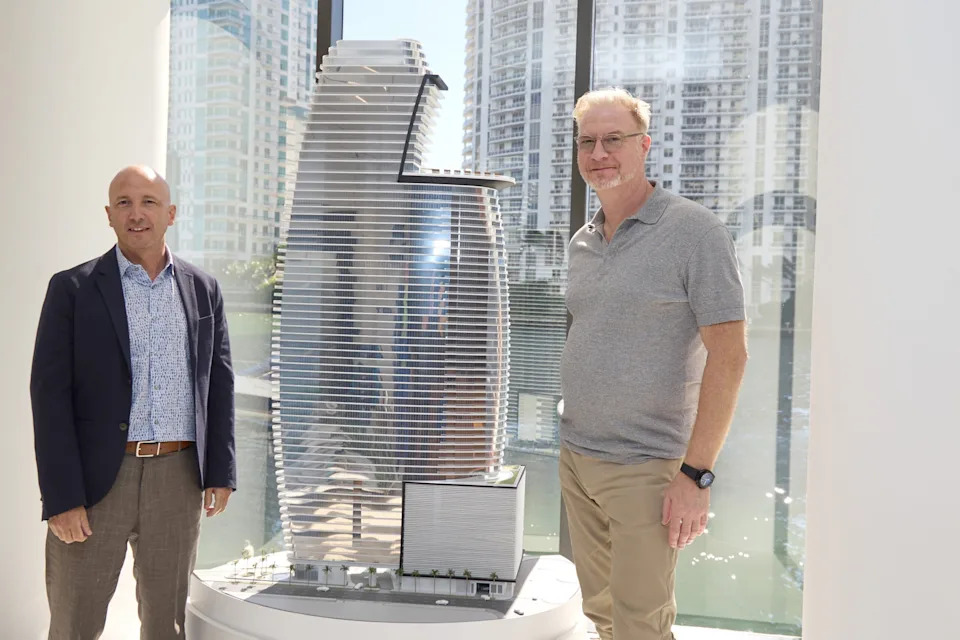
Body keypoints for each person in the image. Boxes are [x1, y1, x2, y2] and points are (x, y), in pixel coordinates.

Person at [559, 88, 748, 640]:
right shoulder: (583, 241)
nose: (599, 153)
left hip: (644, 465)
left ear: (644, 145)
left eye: (613, 139)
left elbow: (731, 357)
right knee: (601, 613)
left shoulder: (696, 232)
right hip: (577, 457)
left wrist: (696, 474)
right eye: (587, 142)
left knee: (642, 624)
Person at [30, 165, 236, 639]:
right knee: (73, 624)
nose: (136, 213)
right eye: (123, 202)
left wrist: (220, 471)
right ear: (108, 215)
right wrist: (62, 497)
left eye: (148, 201)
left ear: (171, 213)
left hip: (178, 478)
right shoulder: (72, 290)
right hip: (96, 483)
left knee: (167, 624)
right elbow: (49, 396)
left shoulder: (203, 290)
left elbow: (218, 383)